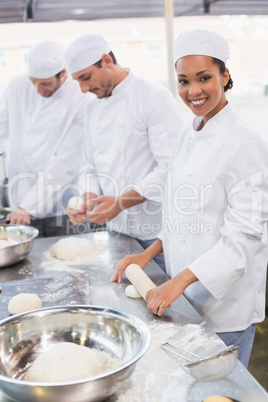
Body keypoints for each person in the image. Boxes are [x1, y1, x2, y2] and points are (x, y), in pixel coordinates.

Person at [111, 29, 268, 367]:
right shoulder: (189, 131)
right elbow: (183, 214)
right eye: (184, 81)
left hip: (224, 304)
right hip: (181, 292)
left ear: (225, 76)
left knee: (218, 387)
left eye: (204, 78)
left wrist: (178, 280)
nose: (193, 91)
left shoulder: (245, 142)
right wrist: (148, 255)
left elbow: (244, 236)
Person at [65, 34, 184, 271]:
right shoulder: (91, 110)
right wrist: (88, 197)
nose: (84, 88)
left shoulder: (153, 97)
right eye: (78, 81)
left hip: (157, 235)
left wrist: (121, 202)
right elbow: (89, 165)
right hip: (116, 233)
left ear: (107, 60)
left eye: (86, 78)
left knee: (164, 303)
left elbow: (172, 167)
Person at [0, 41, 92, 236]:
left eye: (45, 83)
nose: (38, 89)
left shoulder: (82, 98)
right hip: (20, 200)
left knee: (71, 261)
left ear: (64, 73)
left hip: (64, 208)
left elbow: (67, 162)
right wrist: (24, 207)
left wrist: (29, 207)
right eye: (33, 81)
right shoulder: (17, 86)